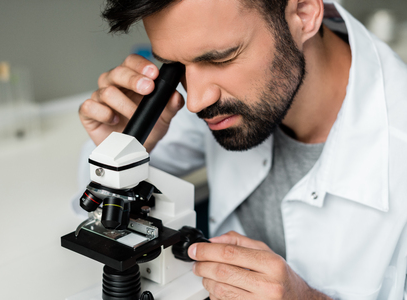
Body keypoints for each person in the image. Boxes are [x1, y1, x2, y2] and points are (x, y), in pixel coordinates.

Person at [78, 0, 407, 299]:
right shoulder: (214, 93)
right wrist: (122, 146)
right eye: (176, 67)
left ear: (304, 13)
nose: (195, 102)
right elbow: (94, 209)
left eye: (221, 58)